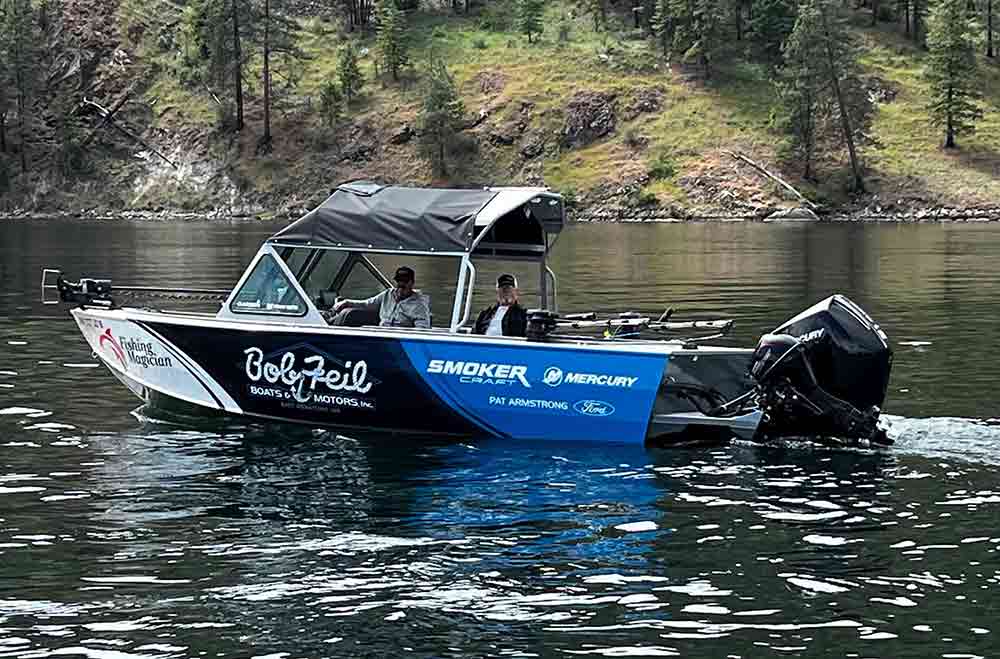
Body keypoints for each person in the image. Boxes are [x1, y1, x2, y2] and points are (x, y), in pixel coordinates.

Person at [332, 266, 431, 328]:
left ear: (412, 283)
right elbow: (367, 304)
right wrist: (346, 302)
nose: (401, 285)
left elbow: (422, 328)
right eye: (399, 281)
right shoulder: (387, 294)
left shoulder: (419, 304)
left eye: (404, 282)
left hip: (399, 339)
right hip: (380, 333)